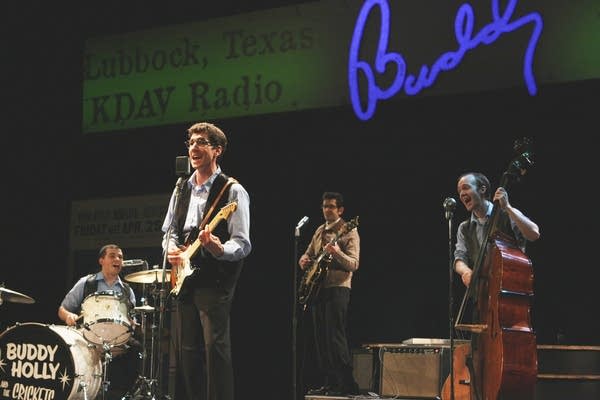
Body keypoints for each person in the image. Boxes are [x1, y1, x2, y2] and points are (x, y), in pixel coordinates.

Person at [162, 121, 251, 400]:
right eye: (190, 143)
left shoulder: (233, 190)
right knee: (186, 352)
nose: (193, 148)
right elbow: (168, 232)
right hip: (184, 276)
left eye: (201, 142)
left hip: (216, 279)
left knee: (215, 350)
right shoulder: (181, 189)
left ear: (217, 150)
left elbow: (243, 242)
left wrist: (218, 248)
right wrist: (172, 250)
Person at [298, 191, 360, 396]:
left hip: (338, 288)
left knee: (335, 337)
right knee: (321, 339)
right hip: (317, 290)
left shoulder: (348, 230)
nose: (327, 210)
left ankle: (346, 383)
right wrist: (304, 260)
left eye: (331, 206)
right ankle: (330, 382)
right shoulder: (318, 230)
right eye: (325, 206)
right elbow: (309, 253)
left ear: (340, 210)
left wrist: (336, 252)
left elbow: (353, 263)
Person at [58, 243, 139, 399]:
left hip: (118, 342)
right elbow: (62, 309)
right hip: (87, 338)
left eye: (120, 257)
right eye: (112, 256)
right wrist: (68, 316)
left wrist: (133, 322)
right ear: (101, 260)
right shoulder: (86, 282)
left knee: (136, 348)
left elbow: (131, 320)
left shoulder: (127, 291)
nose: (118, 259)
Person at [453, 172, 540, 288]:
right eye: (459, 191)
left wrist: (508, 207)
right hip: (483, 293)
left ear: (482, 189)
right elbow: (459, 257)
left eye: (466, 188)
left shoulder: (506, 213)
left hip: (511, 286)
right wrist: (466, 272)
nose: (462, 194)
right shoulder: (464, 228)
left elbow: (534, 234)